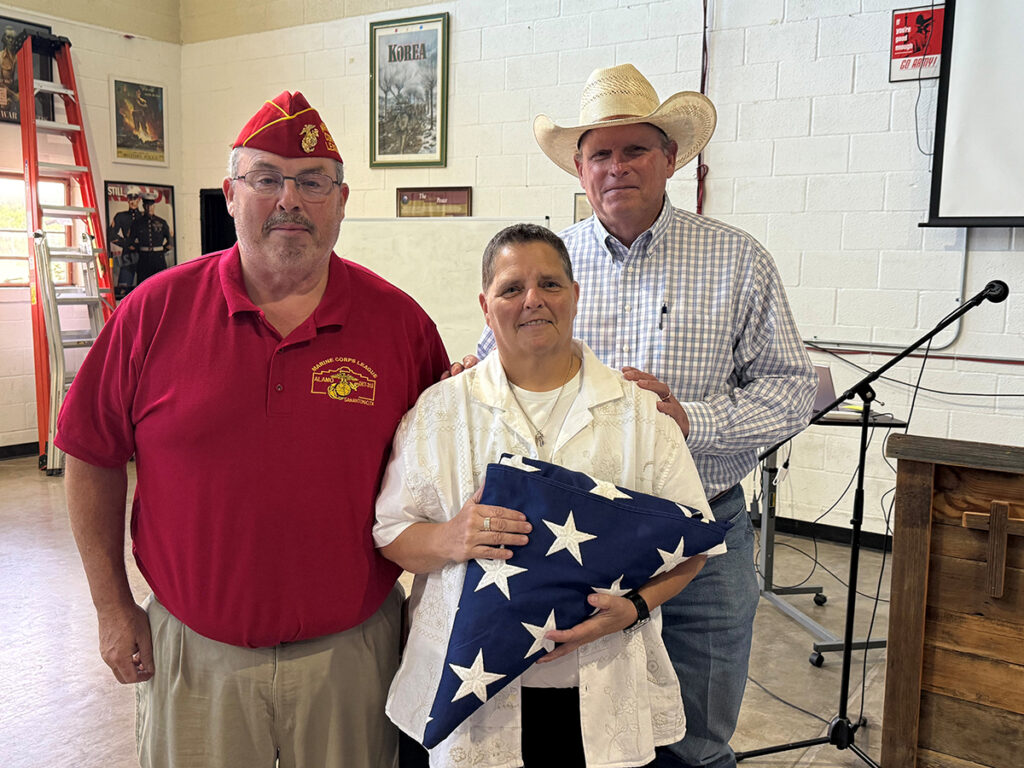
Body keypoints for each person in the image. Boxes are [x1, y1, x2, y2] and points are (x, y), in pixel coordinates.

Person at [56, 90, 449, 768]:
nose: (288, 200)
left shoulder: (400, 325)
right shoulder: (152, 313)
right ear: (231, 194)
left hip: (352, 654)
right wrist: (113, 608)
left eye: (311, 182)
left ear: (342, 199)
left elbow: (446, 475)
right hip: (194, 654)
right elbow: (90, 455)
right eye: (265, 179)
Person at [465, 65, 817, 768]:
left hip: (699, 538)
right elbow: (492, 377)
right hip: (569, 541)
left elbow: (790, 391)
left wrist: (691, 420)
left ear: (672, 160)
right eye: (601, 153)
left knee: (697, 737)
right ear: (579, 165)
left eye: (635, 150)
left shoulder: (737, 261)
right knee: (589, 733)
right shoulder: (547, 266)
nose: (617, 167)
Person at [374, 223, 727, 768]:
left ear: (575, 295)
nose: (532, 300)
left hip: (598, 687)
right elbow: (392, 534)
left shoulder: (639, 416)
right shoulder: (439, 412)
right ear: (486, 307)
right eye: (512, 288)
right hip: (464, 693)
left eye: (550, 284)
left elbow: (695, 543)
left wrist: (633, 608)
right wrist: (450, 537)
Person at [126, 190, 172, 285]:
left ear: (154, 206)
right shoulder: (137, 223)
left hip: (159, 259)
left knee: (161, 284)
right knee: (143, 285)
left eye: (151, 205)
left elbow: (170, 242)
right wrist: (139, 249)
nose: (149, 208)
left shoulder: (162, 222)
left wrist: (161, 250)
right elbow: (130, 242)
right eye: (147, 205)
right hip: (143, 259)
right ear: (143, 206)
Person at [108, 184, 143, 297]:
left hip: (145, 255)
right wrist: (127, 244)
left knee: (148, 286)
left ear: (139, 199)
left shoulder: (144, 216)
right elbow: (112, 235)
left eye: (135, 198)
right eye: (130, 198)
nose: (133, 201)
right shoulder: (121, 216)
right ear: (127, 200)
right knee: (123, 290)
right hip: (128, 255)